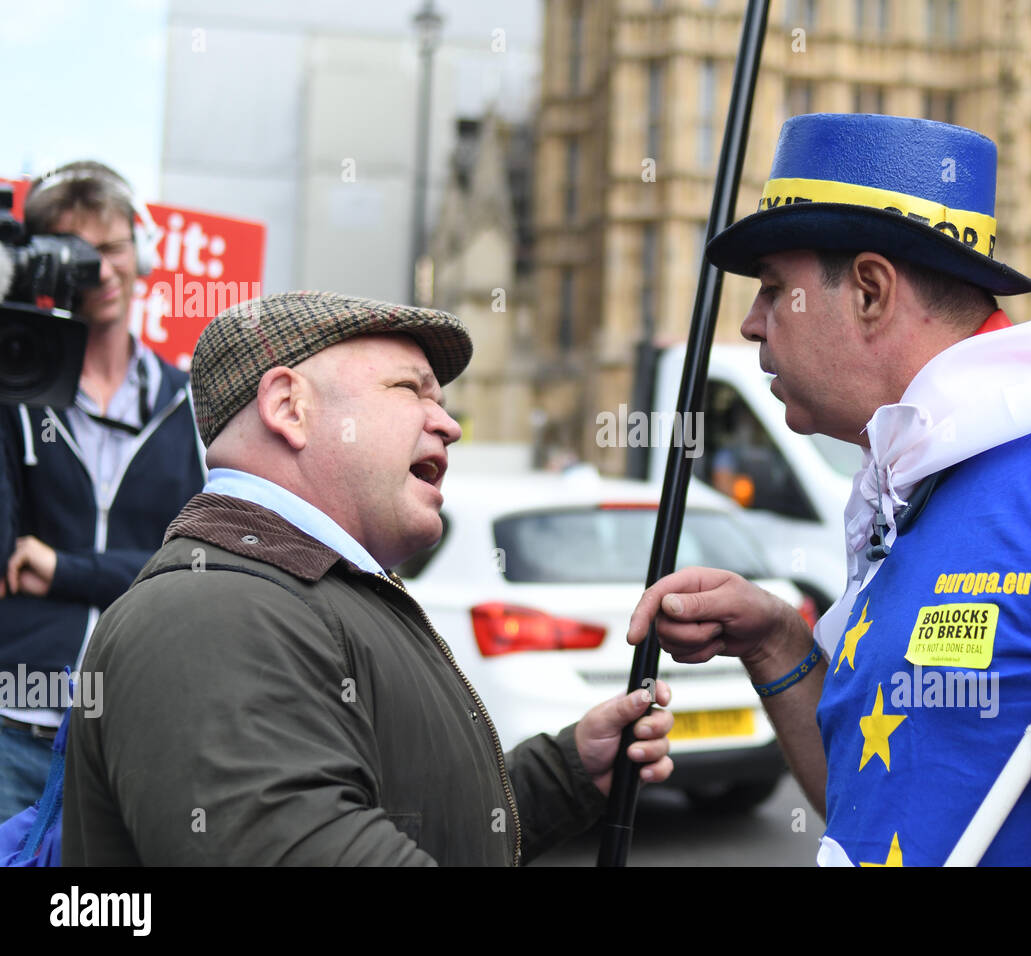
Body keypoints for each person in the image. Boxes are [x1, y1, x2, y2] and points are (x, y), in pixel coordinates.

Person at [628, 113, 1031, 866]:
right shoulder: (903, 484)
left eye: (775, 289)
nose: (750, 323)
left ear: (871, 290)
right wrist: (777, 641)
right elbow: (872, 794)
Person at [63, 290, 674, 865]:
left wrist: (562, 775)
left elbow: (400, 816)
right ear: (288, 407)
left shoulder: (302, 588)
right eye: (412, 390)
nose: (449, 425)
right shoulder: (207, 618)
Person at [0, 162, 206, 820]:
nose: (102, 270)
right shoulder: (14, 394)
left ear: (142, 254)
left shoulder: (190, 405)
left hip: (139, 732)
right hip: (14, 724)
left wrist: (64, 568)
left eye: (113, 247)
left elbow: (197, 567)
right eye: (76, 253)